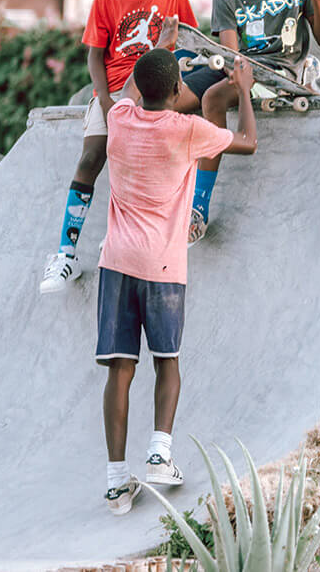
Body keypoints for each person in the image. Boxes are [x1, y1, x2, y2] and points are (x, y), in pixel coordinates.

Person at [97, 48, 257, 514]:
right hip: (163, 266)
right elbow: (247, 140)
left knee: (120, 370)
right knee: (167, 362)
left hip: (116, 262)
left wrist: (161, 45)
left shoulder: (121, 120)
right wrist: (242, 89)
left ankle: (114, 482)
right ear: (175, 92)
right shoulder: (188, 131)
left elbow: (128, 87)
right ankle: (159, 456)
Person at [39, 0, 198, 294]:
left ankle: (128, 237)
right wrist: (107, 100)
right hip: (115, 89)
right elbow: (95, 55)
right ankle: (65, 255)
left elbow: (189, 42)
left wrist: (177, 88)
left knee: (149, 156)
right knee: (91, 157)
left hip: (159, 86)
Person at [180, 0, 320, 245]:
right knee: (190, 100)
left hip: (284, 69)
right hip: (245, 65)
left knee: (213, 98)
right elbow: (232, 57)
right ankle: (181, 203)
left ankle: (198, 206)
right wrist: (239, 77)